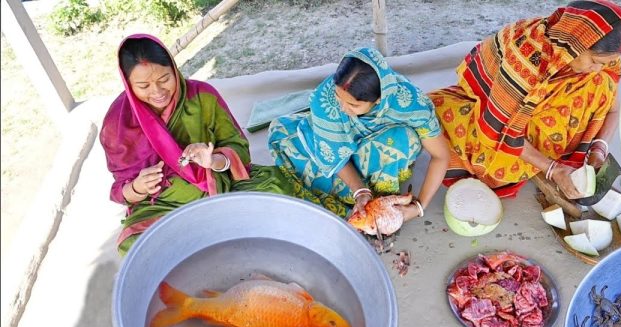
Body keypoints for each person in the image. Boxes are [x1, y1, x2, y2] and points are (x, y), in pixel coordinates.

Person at [100, 34, 346, 255]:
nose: (157, 91)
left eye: (165, 79)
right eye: (143, 86)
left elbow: (237, 147)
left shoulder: (202, 96)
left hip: (220, 185)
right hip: (164, 206)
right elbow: (122, 190)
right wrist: (139, 187)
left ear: (175, 70)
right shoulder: (117, 123)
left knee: (280, 192)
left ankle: (210, 241)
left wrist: (214, 160)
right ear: (129, 86)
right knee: (136, 246)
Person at [429, 0, 621, 199]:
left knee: (602, 83)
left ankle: (545, 148)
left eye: (608, 62)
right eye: (595, 61)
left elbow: (613, 109)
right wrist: (552, 169)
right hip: (500, 112)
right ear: (575, 45)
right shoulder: (527, 58)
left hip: (530, 108)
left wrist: (599, 149)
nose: (599, 68)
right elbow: (498, 128)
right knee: (496, 169)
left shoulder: (604, 63)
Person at [267, 47, 450, 225]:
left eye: (353, 105)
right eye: (339, 99)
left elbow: (440, 156)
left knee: (402, 139)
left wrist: (418, 207)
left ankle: (381, 179)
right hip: (339, 148)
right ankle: (368, 188)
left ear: (378, 100)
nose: (342, 109)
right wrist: (360, 191)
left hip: (384, 147)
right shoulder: (325, 100)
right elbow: (333, 154)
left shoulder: (410, 104)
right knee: (282, 134)